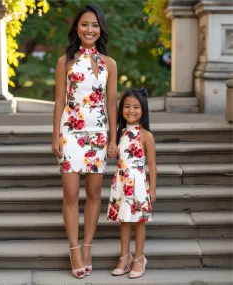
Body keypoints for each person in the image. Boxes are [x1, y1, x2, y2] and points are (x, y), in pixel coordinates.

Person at [52, 4, 118, 279]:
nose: (89, 30)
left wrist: (114, 138)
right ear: (77, 29)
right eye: (84, 24)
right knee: (70, 193)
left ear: (100, 29)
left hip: (98, 134)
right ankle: (73, 249)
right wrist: (55, 134)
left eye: (94, 25)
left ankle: (87, 246)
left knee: (93, 194)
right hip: (70, 132)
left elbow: (111, 102)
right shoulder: (64, 61)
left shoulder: (109, 63)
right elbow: (58, 99)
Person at [107, 87, 156, 279]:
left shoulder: (146, 136)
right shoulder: (119, 134)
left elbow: (152, 163)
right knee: (124, 221)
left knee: (139, 221)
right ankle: (124, 256)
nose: (131, 110)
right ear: (121, 110)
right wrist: (112, 150)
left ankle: (139, 258)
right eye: (126, 106)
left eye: (136, 107)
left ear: (143, 110)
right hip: (121, 182)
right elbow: (116, 156)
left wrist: (152, 188)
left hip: (137, 183)